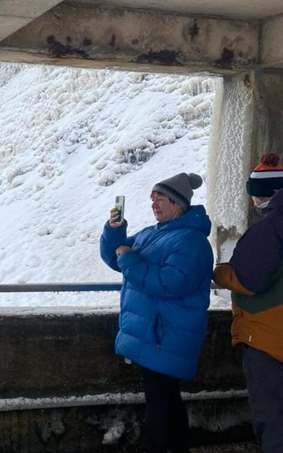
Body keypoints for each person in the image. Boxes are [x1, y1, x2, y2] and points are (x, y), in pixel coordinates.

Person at [100, 173, 213, 453]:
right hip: (155, 335)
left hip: (166, 336)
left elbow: (169, 283)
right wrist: (115, 232)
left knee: (160, 411)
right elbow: (117, 260)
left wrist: (128, 257)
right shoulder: (154, 234)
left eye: (161, 199)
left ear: (179, 203)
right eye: (152, 199)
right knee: (165, 402)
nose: (154, 205)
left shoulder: (191, 241)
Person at [212, 153, 283, 453]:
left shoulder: (271, 226)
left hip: (270, 338)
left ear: (258, 195)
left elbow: (249, 279)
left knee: (274, 418)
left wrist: (221, 273)